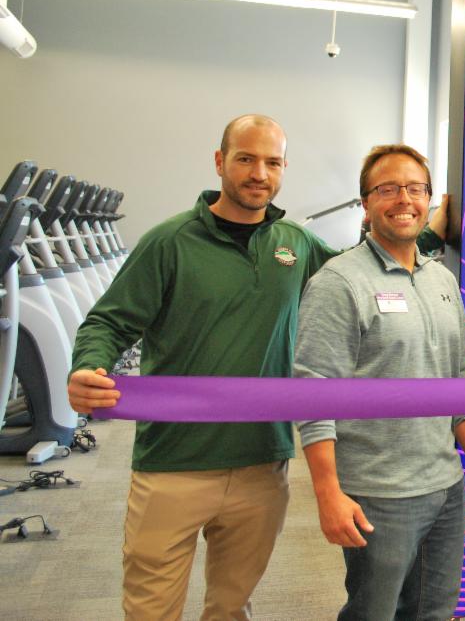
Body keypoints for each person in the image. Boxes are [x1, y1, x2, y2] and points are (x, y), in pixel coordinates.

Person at [66, 114, 339, 620]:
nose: (259, 174)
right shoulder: (169, 241)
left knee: (231, 609)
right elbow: (108, 322)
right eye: (246, 159)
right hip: (174, 461)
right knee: (150, 612)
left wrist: (424, 234)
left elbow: (354, 279)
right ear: (220, 161)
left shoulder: (296, 243)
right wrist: (89, 366)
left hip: (262, 460)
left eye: (272, 162)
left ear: (284, 168)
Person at [294, 144, 465, 621]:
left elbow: (460, 379)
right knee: (374, 613)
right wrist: (327, 494)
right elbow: (313, 395)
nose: (404, 199)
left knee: (434, 610)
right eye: (388, 189)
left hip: (444, 486)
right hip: (378, 493)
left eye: (415, 189)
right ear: (366, 204)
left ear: (429, 200)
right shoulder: (338, 282)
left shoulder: (442, 280)